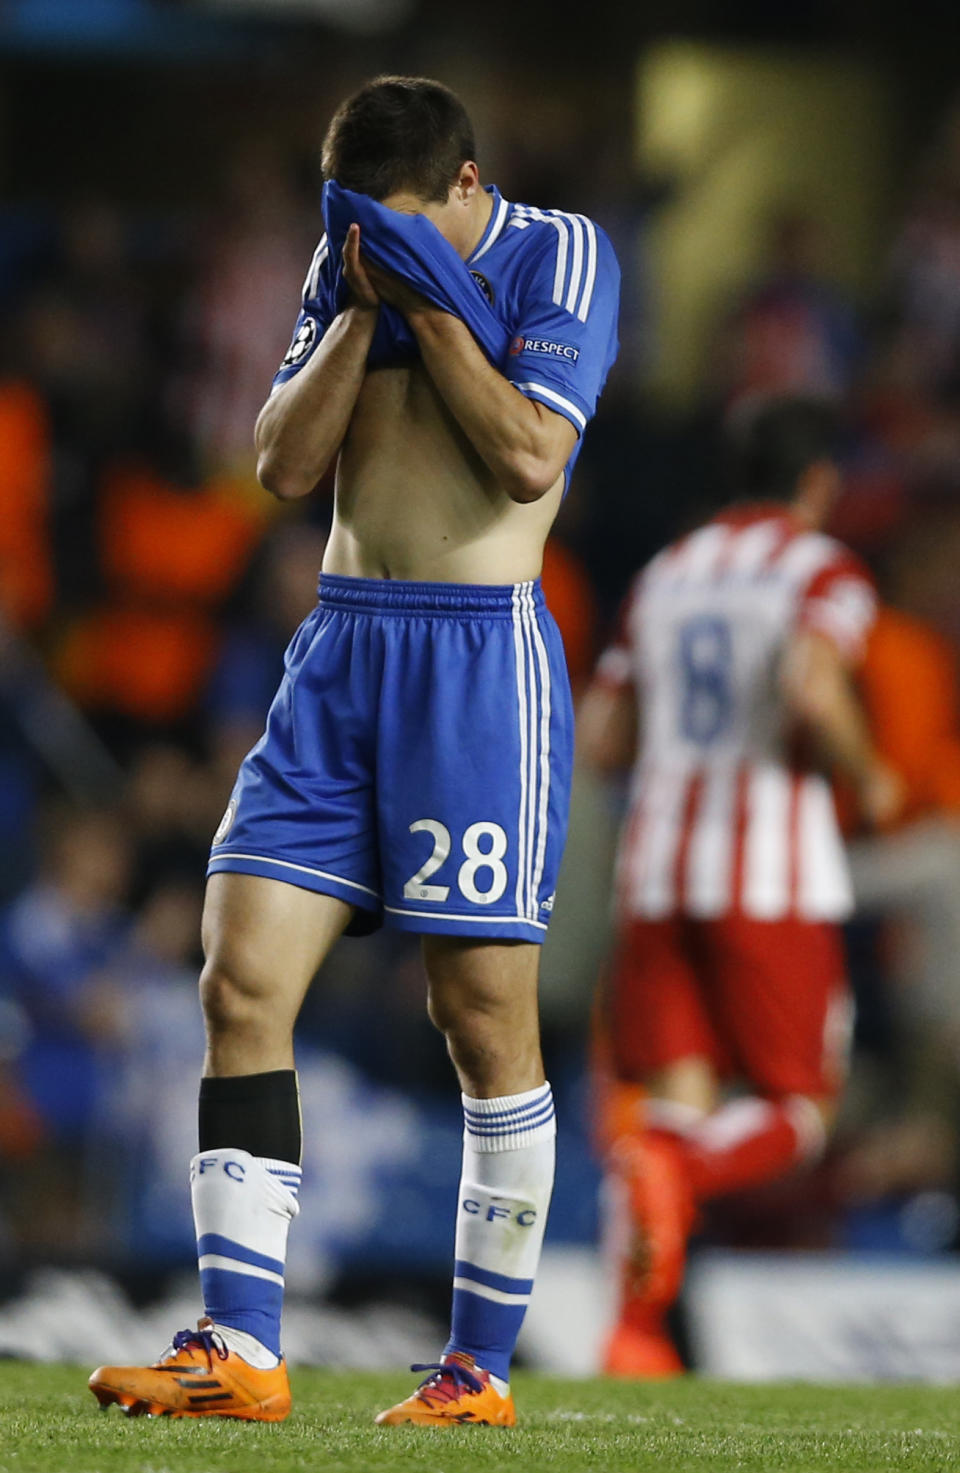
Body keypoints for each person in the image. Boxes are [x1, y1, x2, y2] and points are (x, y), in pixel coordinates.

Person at [89, 75, 619, 1425]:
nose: (377, 251)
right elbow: (279, 466)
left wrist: (430, 308)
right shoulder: (349, 259)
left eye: (400, 232)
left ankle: (477, 1370)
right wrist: (360, 311)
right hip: (339, 648)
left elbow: (523, 456)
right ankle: (243, 1347)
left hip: (476, 656)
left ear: (463, 186)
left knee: (482, 1019)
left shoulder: (558, 255)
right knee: (237, 976)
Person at [577, 397, 901, 1376]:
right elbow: (810, 682)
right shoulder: (821, 568)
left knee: (672, 1102)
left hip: (656, 869)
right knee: (799, 1113)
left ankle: (635, 1339)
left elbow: (600, 740)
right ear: (817, 484)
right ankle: (674, 1170)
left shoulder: (667, 575)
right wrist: (869, 769)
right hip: (769, 874)